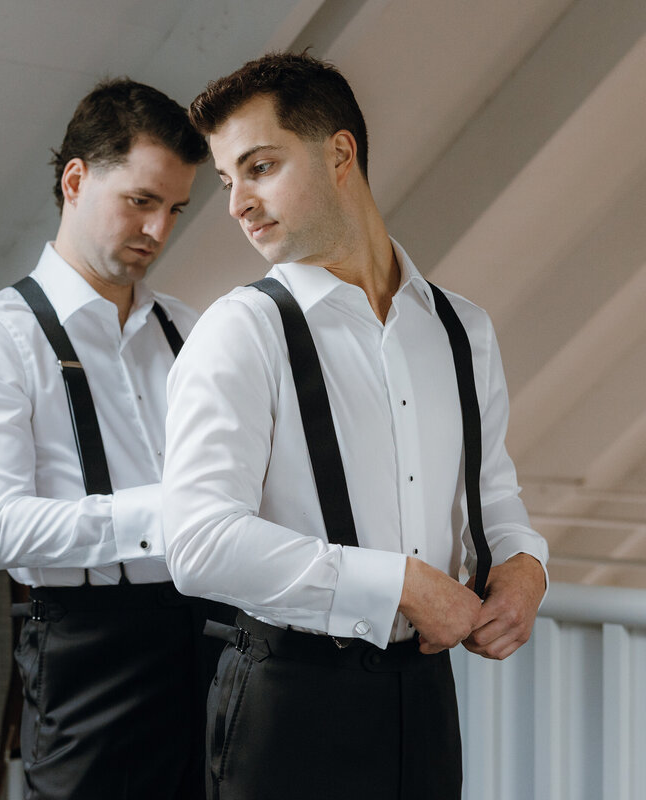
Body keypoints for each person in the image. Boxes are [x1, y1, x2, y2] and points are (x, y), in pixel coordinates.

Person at [162, 53, 549, 800]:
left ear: (340, 152)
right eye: (226, 181)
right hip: (288, 703)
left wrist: (524, 564)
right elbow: (197, 541)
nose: (239, 202)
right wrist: (398, 583)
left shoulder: (463, 328)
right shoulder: (241, 331)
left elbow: (492, 490)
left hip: (427, 702)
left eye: (260, 167)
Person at [0, 78, 224, 800]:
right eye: (141, 202)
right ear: (74, 179)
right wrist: (172, 512)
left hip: (215, 646)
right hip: (90, 666)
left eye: (175, 210)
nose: (159, 231)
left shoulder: (192, 330)